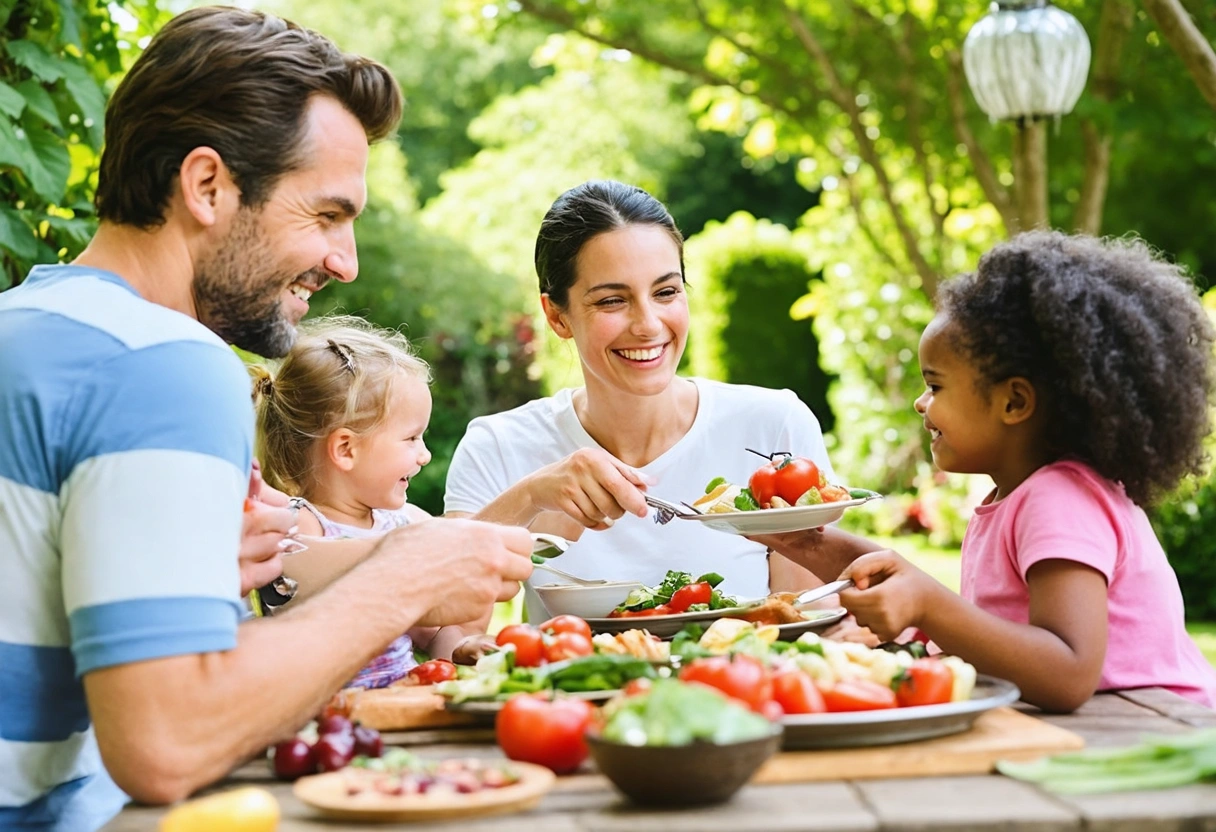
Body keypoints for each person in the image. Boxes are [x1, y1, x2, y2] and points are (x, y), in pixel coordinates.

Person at [0, 8, 530, 830]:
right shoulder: (164, 363)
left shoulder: (28, 331)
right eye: (326, 216)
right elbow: (166, 743)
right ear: (207, 185)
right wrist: (408, 574)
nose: (344, 261)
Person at [833, 231, 1216, 711]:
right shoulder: (1019, 495)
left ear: (1013, 401)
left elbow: (1067, 673)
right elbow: (1000, 635)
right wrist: (803, 540)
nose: (920, 402)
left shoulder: (1061, 498)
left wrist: (929, 605)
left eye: (936, 385)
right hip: (1102, 729)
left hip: (1156, 727)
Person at [444, 179, 837, 618]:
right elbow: (450, 627)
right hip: (566, 688)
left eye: (666, 292)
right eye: (613, 300)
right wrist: (531, 498)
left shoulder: (773, 425)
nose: (648, 324)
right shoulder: (499, 446)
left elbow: (807, 622)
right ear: (557, 316)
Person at [251, 317, 489, 683]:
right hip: (330, 720)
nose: (424, 455)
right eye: (411, 439)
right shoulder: (301, 526)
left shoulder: (405, 520)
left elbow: (433, 632)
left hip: (400, 705)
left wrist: (459, 648)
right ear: (346, 449)